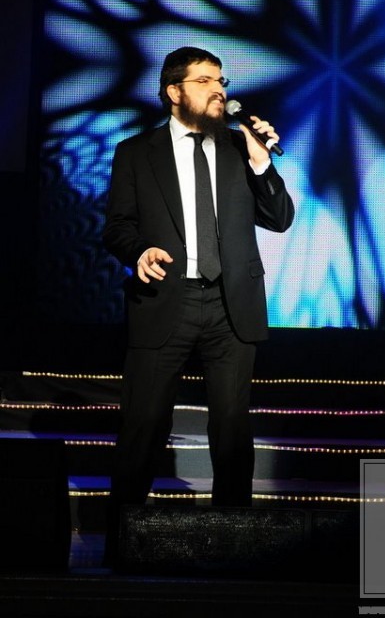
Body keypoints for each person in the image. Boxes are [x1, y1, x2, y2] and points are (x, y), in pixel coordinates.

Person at [102, 46, 294, 563]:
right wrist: (139, 252)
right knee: (143, 426)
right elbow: (117, 227)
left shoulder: (238, 147)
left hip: (232, 305)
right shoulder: (136, 153)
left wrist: (261, 161)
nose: (218, 90)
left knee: (231, 430)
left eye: (221, 81)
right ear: (174, 91)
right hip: (166, 298)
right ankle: (120, 545)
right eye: (205, 80)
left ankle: (234, 547)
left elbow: (279, 218)